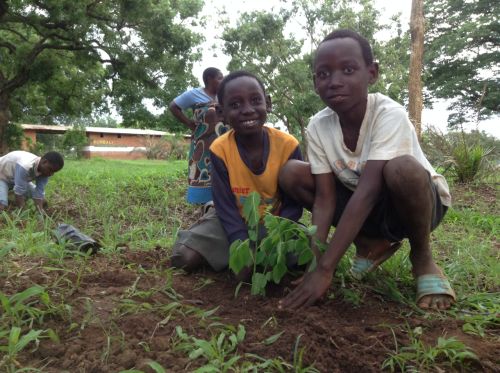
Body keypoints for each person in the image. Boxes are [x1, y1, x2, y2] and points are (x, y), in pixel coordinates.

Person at [278, 29, 455, 311]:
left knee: (403, 168)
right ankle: (371, 244)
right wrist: (315, 265)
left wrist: (327, 269)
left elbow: (370, 190)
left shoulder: (388, 114)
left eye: (348, 70)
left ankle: (423, 260)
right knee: (292, 173)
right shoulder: (318, 126)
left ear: (371, 73)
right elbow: (324, 200)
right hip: (368, 212)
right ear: (314, 83)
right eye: (323, 74)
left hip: (416, 206)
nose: (334, 82)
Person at [171, 71, 303, 275]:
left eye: (255, 100)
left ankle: (238, 252)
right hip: (229, 218)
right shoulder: (220, 149)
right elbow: (225, 204)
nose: (247, 110)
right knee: (185, 258)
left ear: (267, 103)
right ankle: (209, 233)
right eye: (235, 105)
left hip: (274, 221)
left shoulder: (288, 145)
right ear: (221, 113)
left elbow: (293, 205)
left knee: (304, 256)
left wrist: (277, 238)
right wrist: (239, 244)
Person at [169, 67, 228, 205]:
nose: (223, 80)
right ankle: (204, 209)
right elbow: (173, 106)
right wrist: (189, 123)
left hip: (224, 144)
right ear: (209, 79)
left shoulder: (224, 95)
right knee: (203, 172)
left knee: (224, 171)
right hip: (203, 145)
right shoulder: (194, 94)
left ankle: (221, 209)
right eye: (220, 77)